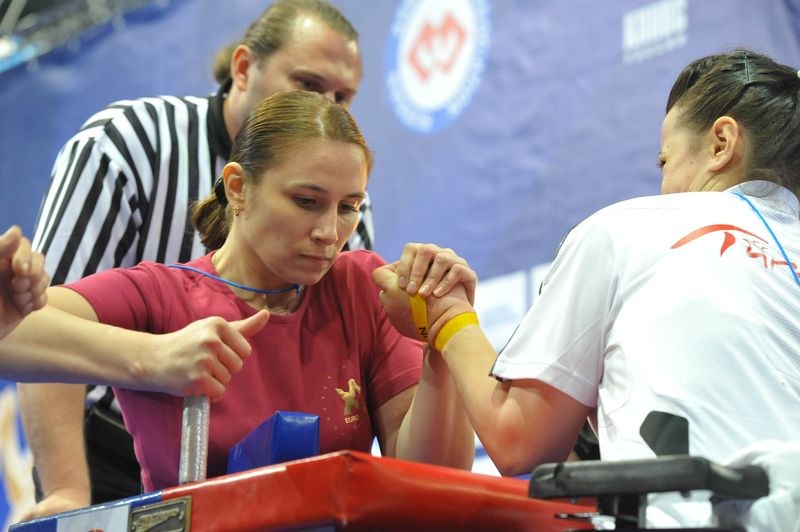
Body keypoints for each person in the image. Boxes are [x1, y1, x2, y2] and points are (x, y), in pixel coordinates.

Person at [373, 48, 800, 528]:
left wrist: (447, 314)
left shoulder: (628, 229)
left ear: (721, 144)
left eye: (665, 160)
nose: (662, 184)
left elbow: (517, 439)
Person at [10, 90, 474, 499]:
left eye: (349, 206)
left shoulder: (362, 286)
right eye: (306, 202)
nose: (330, 232)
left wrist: (441, 340)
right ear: (238, 187)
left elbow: (433, 479)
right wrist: (152, 358)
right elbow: (12, 335)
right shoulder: (159, 294)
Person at [19, 0, 374, 517]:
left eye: (344, 97)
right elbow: (41, 337)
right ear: (244, 67)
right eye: (309, 85)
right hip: (119, 450)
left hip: (282, 468)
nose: (328, 108)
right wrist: (67, 492)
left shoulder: (345, 193)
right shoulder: (128, 145)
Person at [0, 224, 256, 397]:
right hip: (107, 453)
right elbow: (20, 334)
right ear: (237, 187)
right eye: (298, 200)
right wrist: (154, 356)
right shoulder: (156, 288)